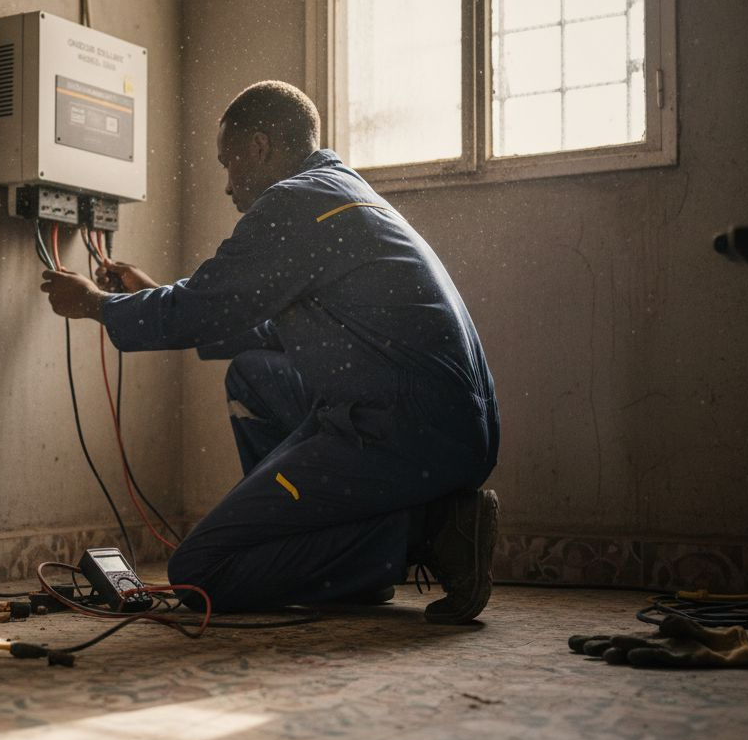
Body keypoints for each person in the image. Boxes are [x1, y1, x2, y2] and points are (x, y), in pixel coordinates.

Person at [39, 80, 500, 623]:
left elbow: (205, 308)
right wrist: (149, 294)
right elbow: (255, 329)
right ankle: (345, 561)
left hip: (407, 431)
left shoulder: (295, 203)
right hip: (440, 424)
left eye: (228, 163)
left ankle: (429, 531)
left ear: (259, 147)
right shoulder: (337, 192)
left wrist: (97, 304)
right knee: (254, 375)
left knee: (202, 572)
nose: (228, 185)